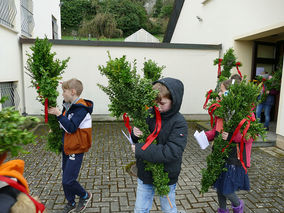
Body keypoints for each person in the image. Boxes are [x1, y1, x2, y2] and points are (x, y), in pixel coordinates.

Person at [130, 77, 188, 213]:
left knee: (168, 208)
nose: (158, 106)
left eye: (162, 103)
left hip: (167, 175)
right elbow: (141, 138)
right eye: (155, 102)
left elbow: (171, 151)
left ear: (174, 101)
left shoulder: (179, 123)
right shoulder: (149, 114)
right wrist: (135, 133)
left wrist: (140, 150)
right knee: (140, 209)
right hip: (145, 172)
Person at [205, 79, 253, 213]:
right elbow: (217, 130)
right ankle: (222, 210)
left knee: (227, 190)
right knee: (220, 188)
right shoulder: (222, 111)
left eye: (222, 91)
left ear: (232, 93)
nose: (219, 94)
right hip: (220, 154)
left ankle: (238, 206)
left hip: (234, 157)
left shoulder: (245, 112)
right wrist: (205, 136)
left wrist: (232, 136)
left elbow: (249, 137)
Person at [48, 78, 93, 213]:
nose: (62, 94)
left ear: (73, 91)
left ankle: (85, 195)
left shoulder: (81, 109)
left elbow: (72, 128)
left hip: (76, 148)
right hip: (67, 146)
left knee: (68, 180)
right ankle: (71, 202)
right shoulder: (69, 106)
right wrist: (57, 127)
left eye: (64, 91)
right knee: (65, 178)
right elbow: (66, 123)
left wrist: (58, 115)